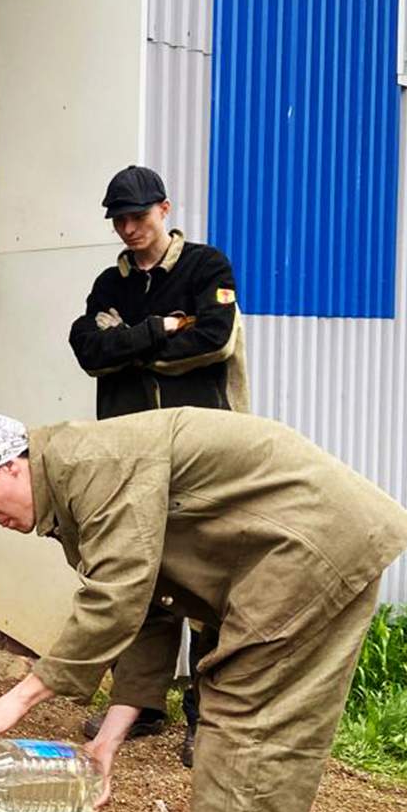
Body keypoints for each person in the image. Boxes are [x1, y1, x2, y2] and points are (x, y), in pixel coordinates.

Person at [0, 409, 407, 812]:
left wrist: (19, 698)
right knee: (227, 711)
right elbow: (147, 609)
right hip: (278, 558)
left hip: (309, 550)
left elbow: (115, 597)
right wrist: (108, 745)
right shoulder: (74, 488)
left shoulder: (93, 464)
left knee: (249, 724)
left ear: (13, 467)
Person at [68, 164, 249, 766]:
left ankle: (205, 713)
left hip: (201, 455)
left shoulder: (207, 267)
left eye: (139, 217)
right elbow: (89, 352)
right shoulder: (108, 284)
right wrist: (155, 330)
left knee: (204, 583)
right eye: (119, 220)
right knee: (136, 577)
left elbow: (213, 341)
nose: (128, 229)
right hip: (130, 455)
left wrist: (130, 348)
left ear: (164, 210)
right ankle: (141, 702)